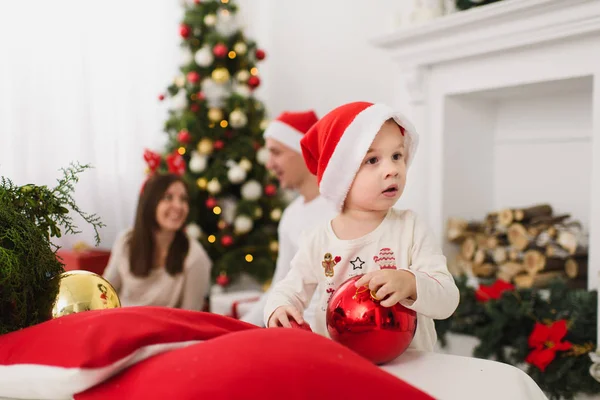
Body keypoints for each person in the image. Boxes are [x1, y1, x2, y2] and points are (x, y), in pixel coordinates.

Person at [264, 101, 459, 352]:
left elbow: (448, 299)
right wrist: (278, 309)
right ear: (340, 175)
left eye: (397, 156)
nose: (392, 170)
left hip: (410, 370)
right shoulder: (318, 240)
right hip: (343, 370)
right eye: (372, 160)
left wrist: (411, 282)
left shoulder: (411, 229)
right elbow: (288, 290)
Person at [240, 110, 337, 326]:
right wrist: (240, 325)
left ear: (303, 150)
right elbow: (280, 286)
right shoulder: (290, 215)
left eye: (276, 152)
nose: (269, 164)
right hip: (298, 329)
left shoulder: (342, 206)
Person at [103, 173, 212, 311]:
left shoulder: (195, 257)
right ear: (150, 203)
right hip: (120, 325)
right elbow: (105, 294)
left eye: (183, 199)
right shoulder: (125, 242)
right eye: (168, 197)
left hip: (166, 331)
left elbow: (191, 318)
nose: (179, 206)